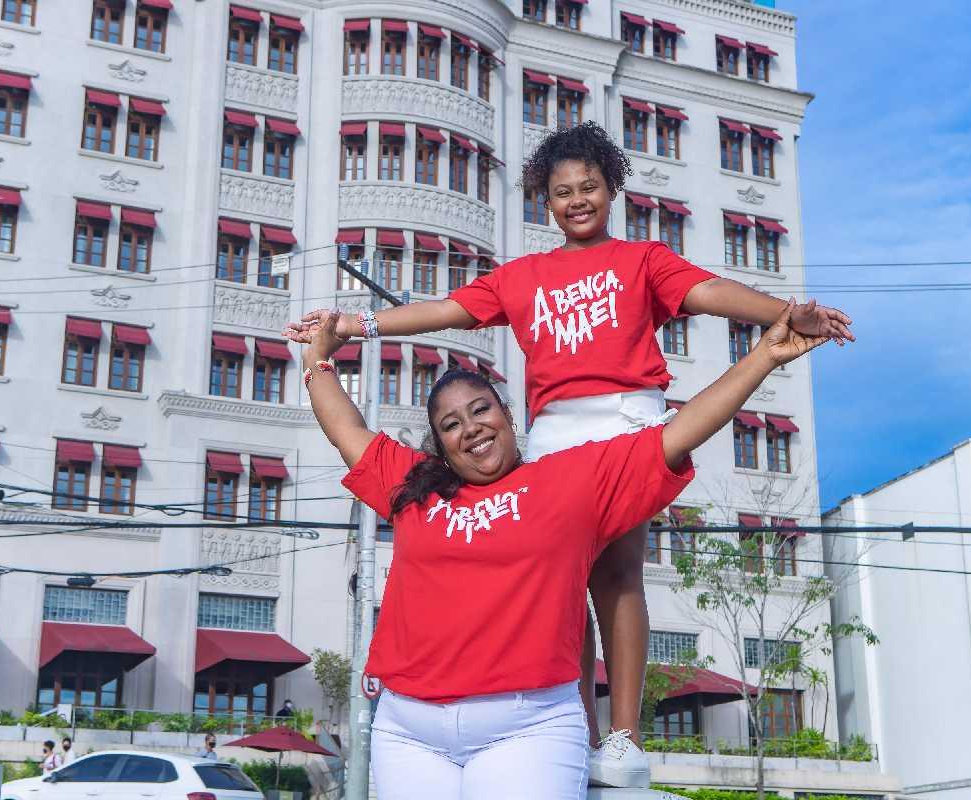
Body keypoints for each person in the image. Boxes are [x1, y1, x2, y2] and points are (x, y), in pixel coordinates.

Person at [286, 121, 854, 787]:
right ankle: (574, 729)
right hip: (555, 430)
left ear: (611, 189)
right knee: (557, 586)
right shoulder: (523, 276)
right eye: (563, 192)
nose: (578, 200)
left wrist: (783, 314)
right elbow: (446, 309)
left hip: (626, 421)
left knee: (617, 577)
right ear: (545, 202)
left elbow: (710, 293)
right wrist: (353, 324)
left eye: (590, 187)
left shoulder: (643, 260)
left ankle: (623, 737)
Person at [287, 301, 826, 799]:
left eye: (480, 410)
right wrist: (318, 357)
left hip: (526, 728)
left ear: (506, 414)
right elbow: (345, 428)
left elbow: (679, 433)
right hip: (409, 731)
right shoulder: (414, 487)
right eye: (451, 425)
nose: (471, 429)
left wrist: (765, 355)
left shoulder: (571, 482)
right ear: (441, 445)